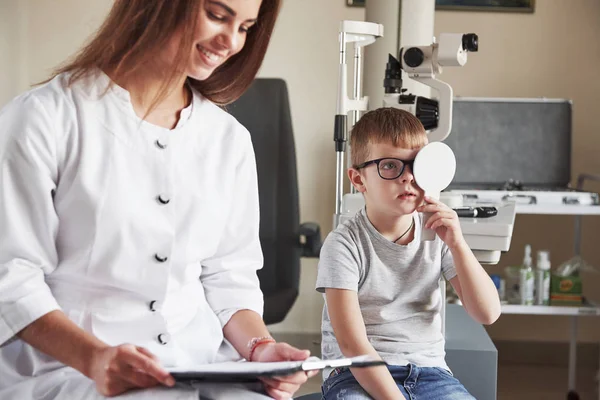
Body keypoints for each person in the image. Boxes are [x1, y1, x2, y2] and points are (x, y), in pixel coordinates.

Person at [0, 0, 317, 399]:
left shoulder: (228, 139)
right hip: (69, 370)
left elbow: (228, 275)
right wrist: (95, 358)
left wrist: (262, 349)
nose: (230, 41)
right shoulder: (44, 118)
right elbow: (11, 277)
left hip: (198, 364)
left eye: (245, 27)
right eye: (218, 16)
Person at [315, 108, 501, 400]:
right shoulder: (343, 245)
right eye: (390, 166)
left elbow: (487, 313)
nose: (408, 177)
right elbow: (352, 345)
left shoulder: (435, 235)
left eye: (417, 164)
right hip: (355, 376)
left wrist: (458, 244)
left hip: (430, 373)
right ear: (358, 179)